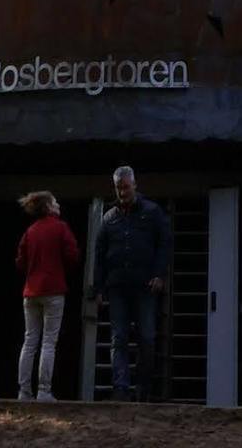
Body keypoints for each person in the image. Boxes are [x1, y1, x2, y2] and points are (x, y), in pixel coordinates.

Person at [92, 164, 171, 402]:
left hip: (145, 285)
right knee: (119, 338)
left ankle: (143, 388)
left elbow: (165, 244)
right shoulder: (108, 218)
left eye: (126, 187)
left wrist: (159, 274)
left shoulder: (152, 212)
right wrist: (98, 287)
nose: (123, 192)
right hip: (117, 287)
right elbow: (99, 254)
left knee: (146, 336)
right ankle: (121, 388)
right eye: (119, 188)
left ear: (135, 185)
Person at [15, 189, 80, 403]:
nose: (59, 205)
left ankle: (24, 392)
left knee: (29, 341)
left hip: (31, 290)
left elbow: (20, 261)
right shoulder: (60, 228)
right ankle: (43, 390)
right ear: (49, 207)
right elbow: (72, 255)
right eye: (55, 202)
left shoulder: (30, 231)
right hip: (53, 289)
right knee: (49, 342)